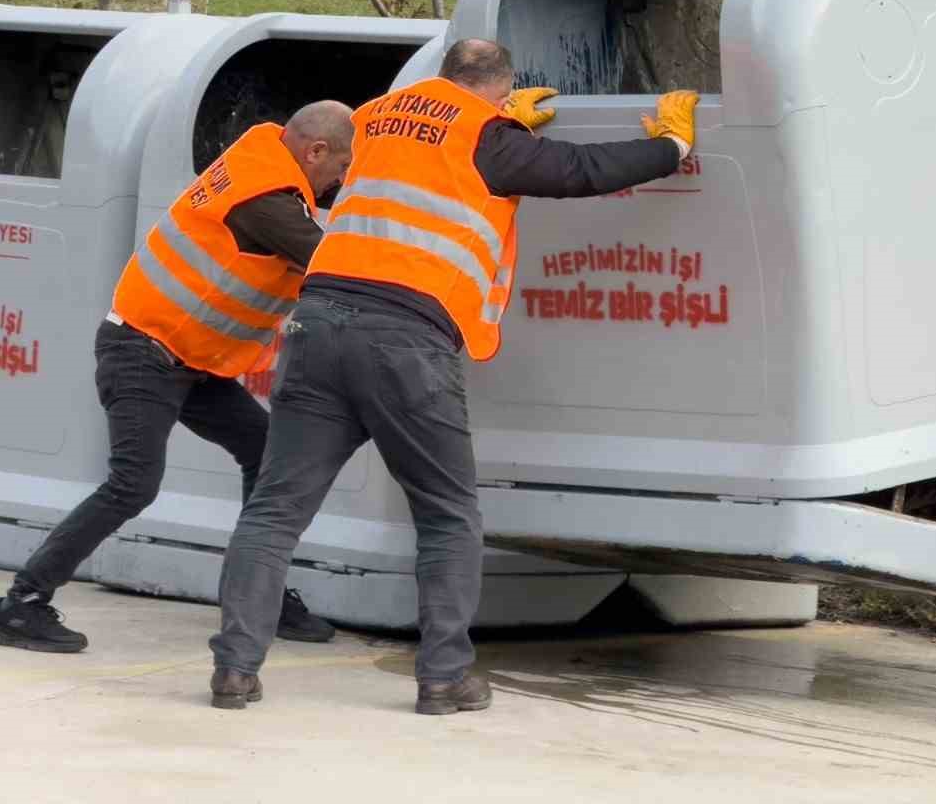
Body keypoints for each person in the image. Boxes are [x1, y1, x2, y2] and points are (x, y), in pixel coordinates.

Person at [207, 40, 697, 715]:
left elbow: (427, 159)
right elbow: (579, 169)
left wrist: (505, 126)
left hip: (316, 323)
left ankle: (234, 670)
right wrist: (669, 148)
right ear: (499, 90)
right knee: (445, 514)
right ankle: (444, 677)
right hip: (405, 338)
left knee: (274, 510)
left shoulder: (375, 117)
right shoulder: (484, 133)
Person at [0, 104, 355, 654]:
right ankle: (21, 605)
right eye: (341, 168)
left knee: (264, 452)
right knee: (133, 484)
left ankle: (259, 594)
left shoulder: (263, 161)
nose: (340, 181)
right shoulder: (267, 199)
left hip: (188, 360)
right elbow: (336, 262)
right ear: (315, 152)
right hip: (144, 352)